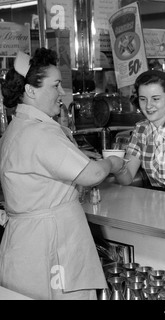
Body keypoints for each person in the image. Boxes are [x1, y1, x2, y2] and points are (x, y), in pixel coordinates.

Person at [0, 49, 125, 300]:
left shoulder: (18, 127)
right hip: (51, 243)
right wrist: (112, 163)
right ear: (31, 90)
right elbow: (91, 174)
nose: (62, 93)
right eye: (56, 85)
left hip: (25, 242)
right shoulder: (40, 133)